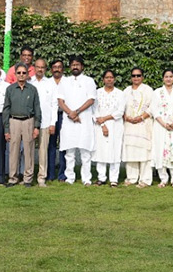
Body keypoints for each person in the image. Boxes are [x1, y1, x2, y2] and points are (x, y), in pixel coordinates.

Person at [57, 56, 97, 186]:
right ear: (70, 67)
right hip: (69, 121)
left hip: (84, 120)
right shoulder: (64, 81)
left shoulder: (89, 81)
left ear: (82, 67)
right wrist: (71, 114)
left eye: (78, 64)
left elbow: (91, 100)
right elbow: (60, 101)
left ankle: (86, 178)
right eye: (73, 65)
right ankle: (70, 178)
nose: (75, 67)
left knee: (85, 152)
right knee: (69, 152)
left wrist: (77, 112)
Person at [3, 62, 41, 187]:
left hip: (28, 121)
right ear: (15, 74)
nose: (21, 75)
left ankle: (28, 179)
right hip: (14, 121)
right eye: (18, 73)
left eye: (24, 73)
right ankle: (13, 178)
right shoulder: (10, 89)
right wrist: (6, 129)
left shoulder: (32, 89)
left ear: (27, 74)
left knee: (29, 150)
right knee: (13, 150)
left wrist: (36, 126)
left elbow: (37, 108)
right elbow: (6, 109)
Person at [151, 69, 173, 187]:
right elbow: (154, 110)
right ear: (163, 78)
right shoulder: (157, 92)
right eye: (166, 76)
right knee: (161, 149)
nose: (169, 79)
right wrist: (164, 123)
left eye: (171, 76)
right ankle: (163, 179)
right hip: (161, 127)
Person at [122, 68, 154, 188]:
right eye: (134, 76)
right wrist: (127, 117)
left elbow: (152, 107)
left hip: (144, 124)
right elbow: (120, 107)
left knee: (144, 152)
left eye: (138, 75)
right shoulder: (126, 91)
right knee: (131, 151)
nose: (136, 78)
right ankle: (131, 177)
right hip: (129, 125)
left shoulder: (148, 90)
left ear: (142, 77)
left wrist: (141, 117)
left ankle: (145, 179)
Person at [93, 70, 126, 186]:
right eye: (107, 77)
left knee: (114, 152)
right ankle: (101, 178)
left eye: (111, 77)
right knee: (100, 151)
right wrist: (102, 124)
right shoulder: (97, 93)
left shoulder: (120, 93)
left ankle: (114, 179)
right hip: (100, 126)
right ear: (103, 79)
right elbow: (94, 110)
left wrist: (105, 118)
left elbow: (120, 111)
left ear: (114, 79)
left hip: (115, 125)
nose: (109, 79)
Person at [35, 59, 64, 185]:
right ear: (34, 68)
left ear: (46, 69)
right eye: (38, 67)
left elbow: (54, 105)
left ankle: (42, 177)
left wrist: (53, 123)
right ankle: (28, 176)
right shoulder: (29, 81)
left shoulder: (50, 84)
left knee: (43, 152)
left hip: (46, 123)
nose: (40, 69)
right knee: (28, 151)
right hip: (31, 123)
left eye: (43, 67)